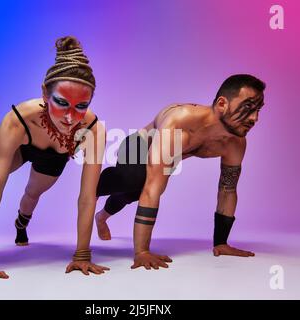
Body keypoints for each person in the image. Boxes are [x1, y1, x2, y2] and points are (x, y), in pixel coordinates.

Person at [0, 36, 108, 288]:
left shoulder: (92, 129)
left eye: (81, 106)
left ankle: (21, 223)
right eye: (61, 102)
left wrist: (82, 255)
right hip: (20, 145)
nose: (70, 117)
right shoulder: (18, 118)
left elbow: (88, 197)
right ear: (45, 93)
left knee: (32, 194)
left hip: (54, 155)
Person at [95, 74, 265, 270]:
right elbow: (152, 187)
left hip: (169, 155)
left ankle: (102, 217)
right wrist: (142, 252)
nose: (255, 118)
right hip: (139, 146)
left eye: (258, 110)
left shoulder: (235, 144)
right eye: (248, 108)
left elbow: (228, 189)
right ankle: (92, 188)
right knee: (137, 182)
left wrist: (221, 242)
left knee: (132, 193)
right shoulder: (180, 123)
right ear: (222, 104)